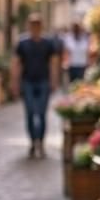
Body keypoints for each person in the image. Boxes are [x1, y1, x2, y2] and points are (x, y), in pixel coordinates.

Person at [12, 15, 62, 158]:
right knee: (30, 113)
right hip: (27, 81)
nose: (35, 28)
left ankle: (41, 141)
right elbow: (16, 63)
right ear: (29, 26)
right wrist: (15, 82)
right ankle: (33, 141)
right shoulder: (22, 43)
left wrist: (54, 81)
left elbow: (53, 63)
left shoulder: (48, 43)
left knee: (41, 113)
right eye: (33, 25)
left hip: (43, 81)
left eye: (37, 25)